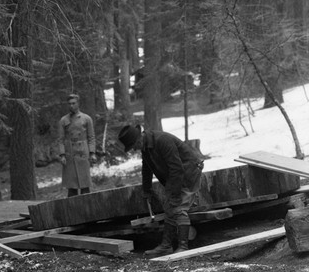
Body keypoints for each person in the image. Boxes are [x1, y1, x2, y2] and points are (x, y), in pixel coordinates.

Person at [118, 124, 204, 257]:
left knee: (178, 207)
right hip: (175, 175)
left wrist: (175, 195)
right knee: (169, 206)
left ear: (140, 137)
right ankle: (166, 246)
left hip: (189, 171)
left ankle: (183, 247)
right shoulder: (146, 147)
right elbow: (146, 168)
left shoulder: (162, 140)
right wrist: (146, 190)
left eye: (134, 145)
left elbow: (177, 168)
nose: (135, 149)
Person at [57, 94, 97, 197]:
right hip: (70, 153)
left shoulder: (87, 118)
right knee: (72, 187)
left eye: (74, 103)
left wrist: (92, 153)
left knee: (85, 185)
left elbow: (91, 137)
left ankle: (87, 209)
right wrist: (62, 155)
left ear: (78, 104)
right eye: (69, 104)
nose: (71, 106)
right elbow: (60, 140)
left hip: (83, 152)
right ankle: (71, 210)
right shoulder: (63, 120)